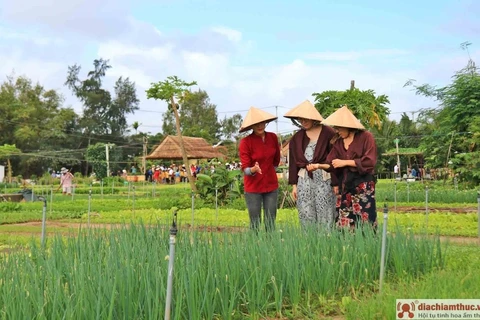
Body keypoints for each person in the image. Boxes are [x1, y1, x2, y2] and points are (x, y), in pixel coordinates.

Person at [321, 106, 378, 231]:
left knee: (366, 221)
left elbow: (369, 161)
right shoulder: (338, 143)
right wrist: (319, 166)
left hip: (363, 185)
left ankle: (368, 245)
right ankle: (348, 248)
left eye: (339, 128)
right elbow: (332, 163)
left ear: (348, 126)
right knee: (344, 222)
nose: (337, 131)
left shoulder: (365, 137)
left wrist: (345, 162)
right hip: (346, 185)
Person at [283, 100, 337, 228]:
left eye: (306, 119)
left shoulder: (328, 133)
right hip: (304, 179)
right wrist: (294, 186)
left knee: (326, 212)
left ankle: (326, 242)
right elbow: (293, 164)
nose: (303, 121)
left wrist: (336, 183)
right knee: (306, 212)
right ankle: (309, 243)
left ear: (313, 118)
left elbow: (334, 158)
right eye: (300, 119)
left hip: (324, 178)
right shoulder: (297, 137)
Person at [239, 106, 280, 231]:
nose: (260, 126)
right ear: (251, 126)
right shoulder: (246, 142)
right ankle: (255, 247)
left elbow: (276, 160)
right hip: (253, 187)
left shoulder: (273, 137)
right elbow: (245, 168)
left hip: (271, 185)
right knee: (255, 223)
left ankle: (270, 248)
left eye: (262, 123)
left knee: (270, 222)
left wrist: (268, 171)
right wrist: (253, 170)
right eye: (256, 124)